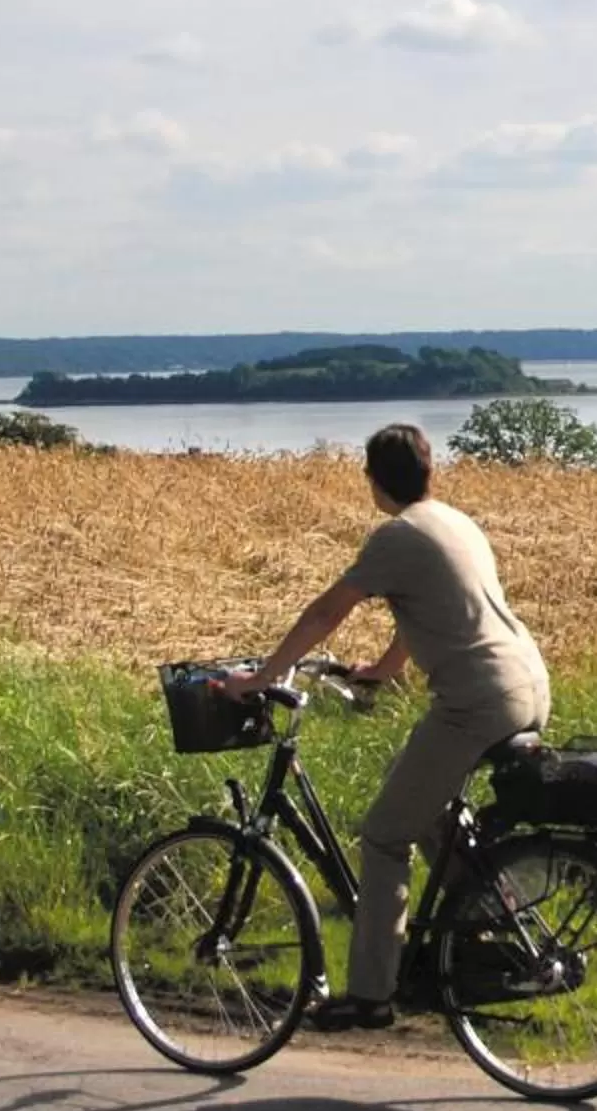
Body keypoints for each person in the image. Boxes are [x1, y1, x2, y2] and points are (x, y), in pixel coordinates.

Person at [227, 422, 551, 1029]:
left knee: (382, 835)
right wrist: (382, 668)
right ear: (429, 471)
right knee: (424, 806)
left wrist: (264, 676)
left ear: (373, 479)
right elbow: (430, 608)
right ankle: (482, 927)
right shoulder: (455, 522)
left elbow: (328, 609)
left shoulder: (396, 536)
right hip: (527, 685)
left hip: (477, 700)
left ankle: (372, 994)